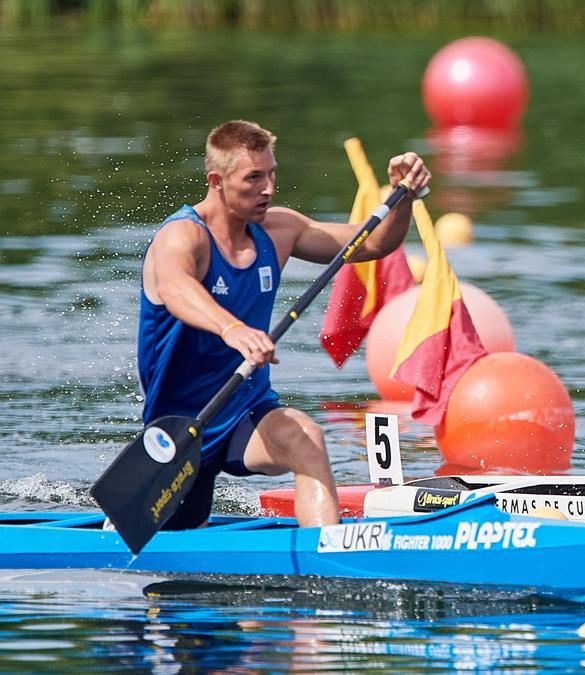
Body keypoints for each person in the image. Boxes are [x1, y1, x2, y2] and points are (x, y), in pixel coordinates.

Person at [138, 120, 431, 528]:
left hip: (244, 412)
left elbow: (376, 244)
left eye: (272, 173)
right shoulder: (183, 238)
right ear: (216, 181)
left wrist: (404, 197)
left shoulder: (278, 230)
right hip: (180, 428)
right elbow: (175, 287)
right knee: (178, 539)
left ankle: (328, 559)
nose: (269, 188)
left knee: (306, 438)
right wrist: (232, 329)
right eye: (254, 177)